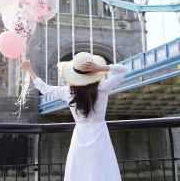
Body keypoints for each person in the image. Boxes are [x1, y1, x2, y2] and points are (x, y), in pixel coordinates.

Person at [21, 51, 128, 181]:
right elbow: (123, 70)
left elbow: (44, 88)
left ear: (75, 74)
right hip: (100, 133)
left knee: (80, 170)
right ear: (93, 72)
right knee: (102, 169)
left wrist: (29, 69)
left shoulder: (68, 92)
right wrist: (101, 68)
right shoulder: (103, 87)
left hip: (81, 134)